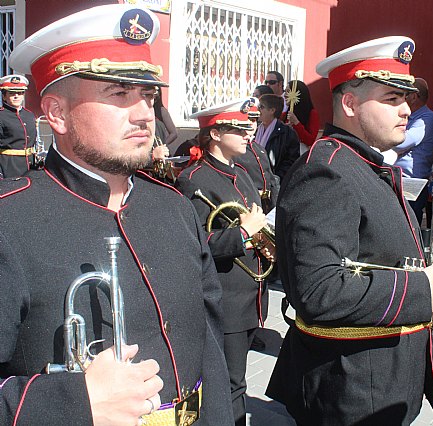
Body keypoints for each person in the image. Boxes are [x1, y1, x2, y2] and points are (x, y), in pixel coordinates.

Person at [1, 5, 233, 424]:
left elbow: (209, 347)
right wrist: (70, 403)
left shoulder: (173, 206)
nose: (145, 113)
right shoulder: (8, 220)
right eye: (119, 94)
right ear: (56, 113)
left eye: (147, 95)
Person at [265, 36, 433, 425]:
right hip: (352, 392)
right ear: (350, 104)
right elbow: (318, 291)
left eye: (406, 98)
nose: (406, 109)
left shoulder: (362, 165)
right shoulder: (328, 170)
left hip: (379, 381)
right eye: (391, 99)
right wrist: (423, 289)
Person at [174, 98, 273, 425]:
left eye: (249, 128)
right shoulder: (195, 179)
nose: (249, 134)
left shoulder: (242, 173)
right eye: (239, 129)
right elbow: (193, 244)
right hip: (226, 299)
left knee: (236, 380)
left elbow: (257, 223)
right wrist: (243, 234)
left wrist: (265, 241)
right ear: (215, 133)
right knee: (230, 384)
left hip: (251, 296)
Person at [393, 77, 433, 226]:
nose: (401, 100)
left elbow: (401, 143)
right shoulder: (413, 117)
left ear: (413, 96)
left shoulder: (426, 119)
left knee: (406, 227)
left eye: (404, 94)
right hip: (401, 180)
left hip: (411, 183)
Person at [235, 99, 280, 212]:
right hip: (248, 206)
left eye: (254, 120)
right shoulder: (235, 151)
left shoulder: (259, 149)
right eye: (247, 120)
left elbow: (270, 177)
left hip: (266, 205)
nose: (251, 124)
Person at [253, 93, 299, 179]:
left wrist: (276, 178)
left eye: (261, 107)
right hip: (254, 178)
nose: (257, 110)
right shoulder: (254, 130)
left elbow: (290, 161)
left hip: (274, 181)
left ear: (272, 110)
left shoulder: (287, 133)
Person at [0, 74, 37, 178]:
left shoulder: (29, 115)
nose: (16, 96)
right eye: (12, 93)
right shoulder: (1, 115)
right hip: (8, 167)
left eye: (20, 93)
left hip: (30, 166)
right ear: (4, 96)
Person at [284, 79, 320, 152]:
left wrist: (296, 123)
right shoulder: (285, 114)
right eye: (285, 91)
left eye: (288, 92)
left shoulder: (312, 113)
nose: (285, 95)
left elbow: (310, 141)